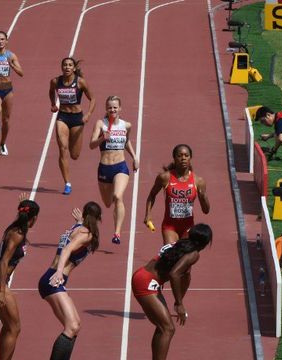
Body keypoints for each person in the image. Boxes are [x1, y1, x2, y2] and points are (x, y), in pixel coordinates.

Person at [131, 223, 212, 360]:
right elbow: (175, 273)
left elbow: (181, 273)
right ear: (204, 243)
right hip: (147, 283)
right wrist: (179, 303)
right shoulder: (193, 254)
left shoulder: (181, 243)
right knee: (167, 329)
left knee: (162, 328)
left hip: (144, 277)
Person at [38, 202, 101, 360]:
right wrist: (59, 272)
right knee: (71, 326)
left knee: (76, 325)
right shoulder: (86, 234)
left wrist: (79, 221)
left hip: (55, 281)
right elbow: (66, 250)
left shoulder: (79, 228)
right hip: (53, 280)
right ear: (98, 219)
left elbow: (71, 236)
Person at [0, 194, 39, 360]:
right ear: (34, 218)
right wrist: (0, 290)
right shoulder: (17, 234)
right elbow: (5, 260)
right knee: (15, 327)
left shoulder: (16, 228)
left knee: (9, 326)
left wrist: (22, 204)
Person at [89, 96, 139, 245]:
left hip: (120, 167)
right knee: (107, 203)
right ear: (106, 109)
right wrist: (102, 139)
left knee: (118, 196)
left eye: (115, 107)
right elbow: (91, 145)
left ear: (120, 109)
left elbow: (127, 141)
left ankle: (117, 233)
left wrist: (135, 157)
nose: (112, 110)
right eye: (110, 107)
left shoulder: (126, 125)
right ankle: (114, 209)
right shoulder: (101, 124)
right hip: (104, 168)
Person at [144, 144, 210, 244]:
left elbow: (206, 210)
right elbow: (152, 195)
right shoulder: (165, 177)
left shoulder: (198, 181)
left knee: (186, 257)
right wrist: (148, 214)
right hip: (170, 226)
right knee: (171, 255)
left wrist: (203, 197)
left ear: (190, 158)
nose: (183, 158)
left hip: (188, 227)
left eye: (186, 155)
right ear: (174, 158)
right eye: (180, 155)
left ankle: (159, 260)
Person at [49, 57, 95, 195]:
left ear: (74, 68)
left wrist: (88, 114)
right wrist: (53, 103)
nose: (67, 67)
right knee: (63, 149)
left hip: (77, 118)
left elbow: (92, 98)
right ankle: (67, 183)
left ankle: (71, 142)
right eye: (65, 65)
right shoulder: (56, 81)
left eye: (70, 65)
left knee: (74, 155)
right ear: (61, 67)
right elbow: (51, 91)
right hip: (62, 117)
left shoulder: (80, 82)